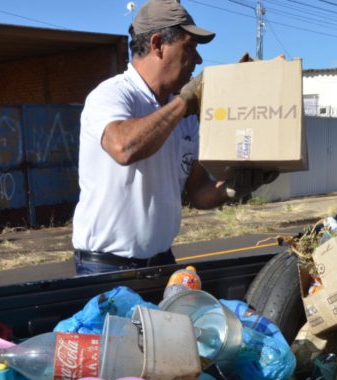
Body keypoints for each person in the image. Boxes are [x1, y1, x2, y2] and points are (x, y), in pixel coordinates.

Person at [72, 0, 277, 275]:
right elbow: (124, 147)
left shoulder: (185, 116)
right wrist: (183, 103)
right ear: (157, 44)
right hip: (106, 267)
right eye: (190, 47)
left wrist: (233, 187)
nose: (199, 59)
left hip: (162, 261)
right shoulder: (112, 95)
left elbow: (197, 192)